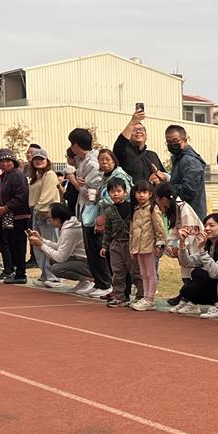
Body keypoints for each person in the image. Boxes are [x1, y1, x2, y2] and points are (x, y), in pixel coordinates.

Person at [67, 128, 112, 298]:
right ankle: (99, 282)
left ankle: (105, 283)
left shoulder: (93, 163)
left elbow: (91, 191)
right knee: (90, 249)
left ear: (75, 145)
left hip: (93, 211)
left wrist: (73, 181)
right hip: (85, 210)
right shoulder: (83, 160)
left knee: (96, 248)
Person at [180, 214, 218, 316]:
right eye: (205, 226)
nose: (207, 228)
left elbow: (215, 273)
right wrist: (182, 243)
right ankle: (196, 304)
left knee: (199, 273)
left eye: (212, 225)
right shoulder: (211, 245)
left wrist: (202, 250)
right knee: (188, 288)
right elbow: (187, 263)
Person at [28, 203, 93, 290]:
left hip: (87, 262)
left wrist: (41, 245)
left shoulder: (69, 231)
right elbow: (59, 247)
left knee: (56, 268)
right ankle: (85, 280)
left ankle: (87, 280)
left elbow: (60, 257)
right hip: (82, 259)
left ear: (57, 219)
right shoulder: (68, 226)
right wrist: (42, 240)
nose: (49, 221)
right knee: (52, 260)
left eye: (49, 218)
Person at [101, 177, 140, 307]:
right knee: (117, 272)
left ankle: (141, 296)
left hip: (131, 243)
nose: (116, 194)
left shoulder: (133, 208)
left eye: (119, 191)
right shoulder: (109, 211)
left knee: (135, 271)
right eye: (112, 192)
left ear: (125, 192)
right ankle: (119, 296)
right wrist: (105, 246)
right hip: (116, 244)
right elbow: (107, 230)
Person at [0, 149, 31, 284]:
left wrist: (5, 208)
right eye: (2, 161)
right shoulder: (4, 176)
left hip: (19, 215)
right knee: (11, 244)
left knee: (18, 245)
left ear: (14, 161)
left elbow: (22, 196)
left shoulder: (17, 175)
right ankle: (16, 272)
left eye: (8, 161)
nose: (5, 164)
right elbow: (3, 196)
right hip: (9, 215)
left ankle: (21, 273)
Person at [127, 180, 165, 312]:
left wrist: (160, 244)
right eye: (138, 192)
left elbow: (159, 228)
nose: (141, 195)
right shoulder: (135, 210)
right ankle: (145, 297)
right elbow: (132, 230)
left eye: (144, 192)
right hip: (138, 246)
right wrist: (132, 247)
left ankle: (150, 299)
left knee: (151, 273)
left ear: (150, 194)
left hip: (150, 246)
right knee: (143, 273)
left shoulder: (153, 208)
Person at [28, 149, 63, 288]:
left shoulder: (50, 175)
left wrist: (39, 208)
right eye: (36, 159)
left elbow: (48, 195)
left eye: (41, 159)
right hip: (37, 212)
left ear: (47, 160)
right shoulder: (36, 177)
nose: (38, 161)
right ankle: (45, 274)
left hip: (47, 214)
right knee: (38, 245)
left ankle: (54, 276)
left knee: (50, 244)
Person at [164, 125, 207, 220]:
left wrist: (166, 187)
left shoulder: (190, 161)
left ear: (185, 139)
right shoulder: (179, 159)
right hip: (183, 214)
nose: (172, 144)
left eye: (175, 141)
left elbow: (188, 191)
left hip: (191, 216)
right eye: (169, 142)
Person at [114, 107, 165, 183]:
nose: (138, 132)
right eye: (134, 130)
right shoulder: (124, 152)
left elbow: (165, 177)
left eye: (141, 129)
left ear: (146, 135)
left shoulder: (152, 155)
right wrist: (132, 122)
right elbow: (120, 143)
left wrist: (158, 178)